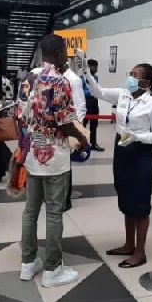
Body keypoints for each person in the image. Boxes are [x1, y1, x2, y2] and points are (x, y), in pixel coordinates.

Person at [16, 34, 88, 287]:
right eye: (65, 53)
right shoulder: (59, 80)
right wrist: (82, 138)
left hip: (33, 153)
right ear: (58, 53)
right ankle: (52, 269)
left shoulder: (28, 78)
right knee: (54, 212)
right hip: (55, 155)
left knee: (30, 210)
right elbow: (64, 120)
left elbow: (20, 115)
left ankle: (28, 263)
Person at [82, 58, 152, 268]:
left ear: (146, 83)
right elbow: (97, 92)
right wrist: (86, 73)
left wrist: (139, 137)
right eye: (130, 74)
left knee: (140, 202)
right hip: (122, 149)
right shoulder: (123, 94)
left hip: (141, 152)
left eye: (135, 75)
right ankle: (129, 244)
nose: (130, 78)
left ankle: (140, 251)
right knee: (126, 197)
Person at [63, 61, 87, 206]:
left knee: (66, 161)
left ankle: (67, 193)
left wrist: (76, 132)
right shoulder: (50, 77)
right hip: (54, 130)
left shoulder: (73, 80)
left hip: (70, 127)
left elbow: (80, 107)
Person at [82, 59, 104, 152]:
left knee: (94, 124)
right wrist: (92, 92)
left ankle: (93, 143)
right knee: (83, 124)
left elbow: (96, 89)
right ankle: (82, 144)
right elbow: (82, 91)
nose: (96, 69)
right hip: (86, 101)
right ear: (90, 67)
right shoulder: (82, 77)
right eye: (94, 67)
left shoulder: (95, 77)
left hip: (94, 101)